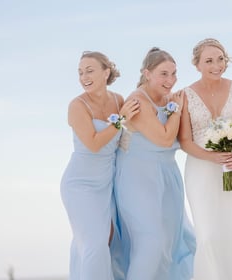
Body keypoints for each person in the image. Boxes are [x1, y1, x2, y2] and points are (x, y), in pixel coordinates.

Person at [114, 47, 196, 280]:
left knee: (173, 241)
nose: (170, 80)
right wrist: (177, 111)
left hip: (168, 174)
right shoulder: (138, 101)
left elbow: (182, 139)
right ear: (147, 73)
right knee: (151, 241)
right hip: (138, 176)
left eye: (174, 74)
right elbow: (164, 138)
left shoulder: (170, 98)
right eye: (164, 74)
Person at [178, 38, 232, 280]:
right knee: (208, 234)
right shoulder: (185, 95)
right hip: (200, 170)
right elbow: (185, 141)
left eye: (220, 59)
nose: (216, 65)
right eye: (209, 60)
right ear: (197, 64)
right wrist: (212, 157)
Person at [60, 51, 140, 280]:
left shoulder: (118, 100)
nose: (84, 76)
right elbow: (94, 144)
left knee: (113, 243)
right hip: (80, 184)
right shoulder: (77, 106)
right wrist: (121, 121)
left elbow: (131, 135)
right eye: (80, 72)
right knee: (94, 244)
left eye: (89, 70)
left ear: (106, 72)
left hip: (109, 183)